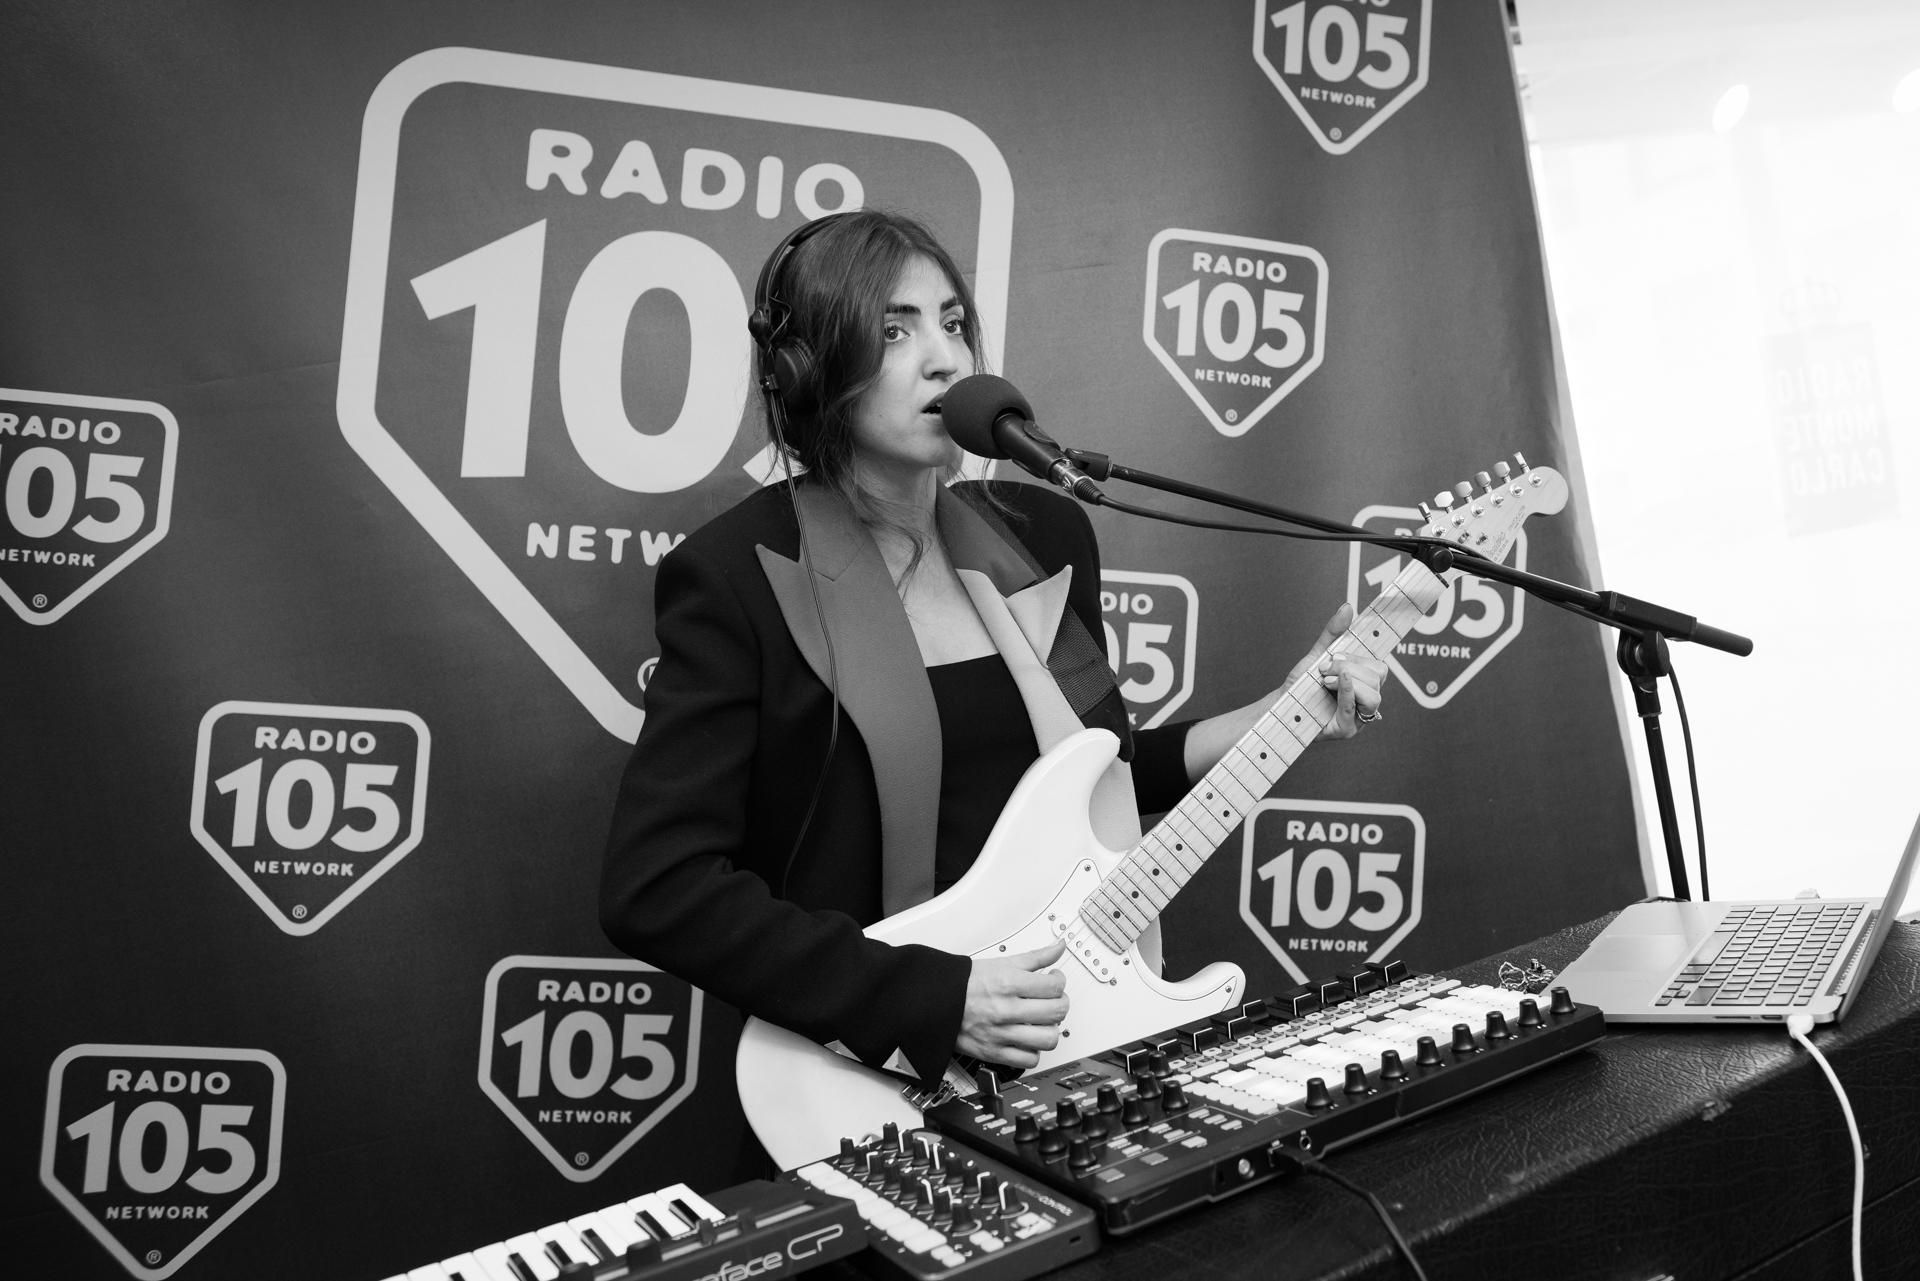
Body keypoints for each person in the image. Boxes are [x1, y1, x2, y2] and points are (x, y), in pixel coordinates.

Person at [599, 208, 1384, 1097]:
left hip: (1073, 1061)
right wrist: (929, 1000)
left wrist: (1284, 711)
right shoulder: (736, 575)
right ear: (806, 369)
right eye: (894, 330)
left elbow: (1102, 776)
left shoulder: (1043, 535)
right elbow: (657, 886)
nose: (945, 358)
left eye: (953, 322)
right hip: (858, 1093)